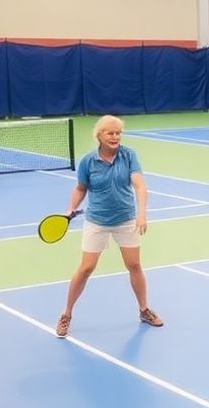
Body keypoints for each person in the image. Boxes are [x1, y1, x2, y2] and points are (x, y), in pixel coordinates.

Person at [55, 115, 162, 338]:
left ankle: (144, 310)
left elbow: (140, 186)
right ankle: (66, 314)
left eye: (118, 133)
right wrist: (70, 209)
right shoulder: (87, 161)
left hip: (126, 220)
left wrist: (141, 214)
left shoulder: (129, 155)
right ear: (100, 136)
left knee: (134, 265)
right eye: (110, 133)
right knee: (86, 268)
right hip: (97, 222)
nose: (115, 137)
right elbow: (81, 188)